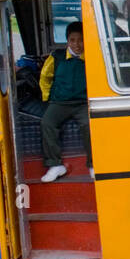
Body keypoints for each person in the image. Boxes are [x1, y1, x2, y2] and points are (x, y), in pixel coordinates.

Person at [39, 21, 92, 182]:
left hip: (83, 103)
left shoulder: (91, 56)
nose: (77, 44)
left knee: (89, 125)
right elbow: (45, 78)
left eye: (81, 40)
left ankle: (93, 164)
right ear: (67, 41)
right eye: (73, 40)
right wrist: (47, 98)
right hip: (60, 102)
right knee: (47, 123)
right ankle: (55, 165)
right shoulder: (57, 57)